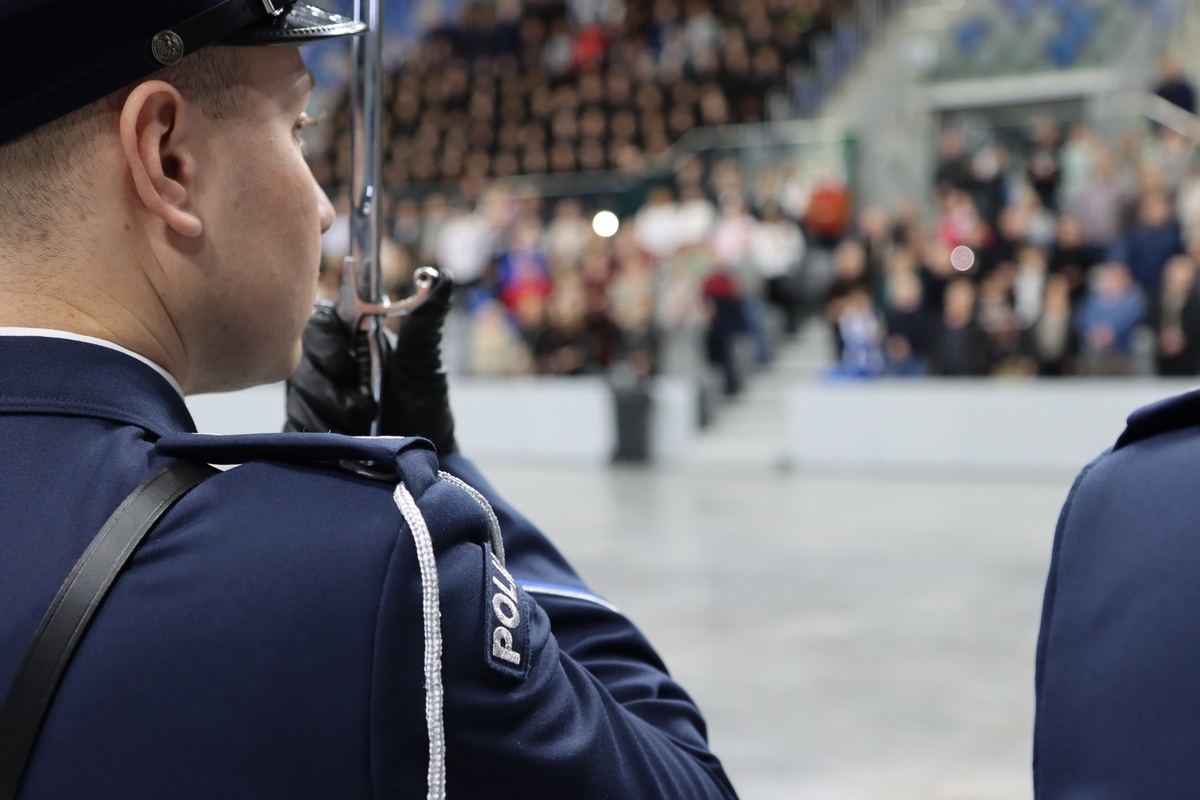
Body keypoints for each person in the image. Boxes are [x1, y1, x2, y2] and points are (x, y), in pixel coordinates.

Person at [0, 3, 739, 799]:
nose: (323, 208)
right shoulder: (371, 570)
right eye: (302, 129)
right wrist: (449, 486)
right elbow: (684, 779)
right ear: (168, 156)